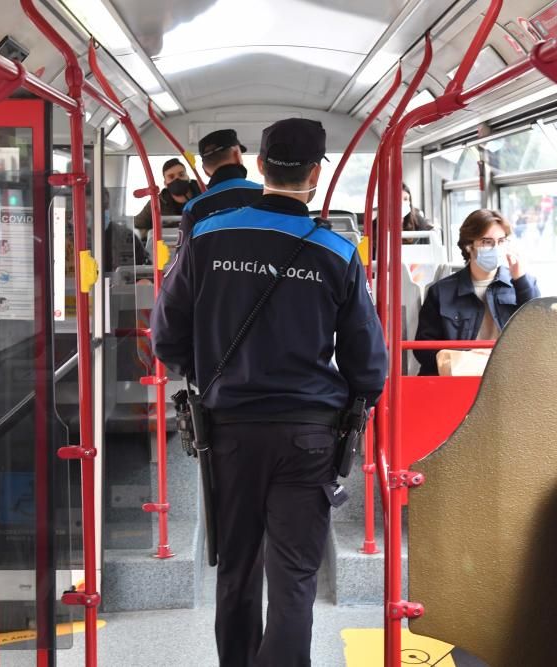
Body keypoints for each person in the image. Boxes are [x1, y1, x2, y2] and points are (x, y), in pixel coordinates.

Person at [152, 118, 387, 667]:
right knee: (294, 578)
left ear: (258, 166)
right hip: (310, 436)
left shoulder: (207, 236)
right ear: (313, 174)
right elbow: (368, 365)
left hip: (228, 432)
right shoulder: (337, 252)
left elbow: (166, 336)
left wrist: (207, 370)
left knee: (236, 568)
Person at [414, 209, 540, 376]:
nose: (495, 248)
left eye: (501, 241)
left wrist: (520, 280)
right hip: (458, 378)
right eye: (487, 242)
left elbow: (538, 329)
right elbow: (423, 348)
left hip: (507, 377)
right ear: (468, 245)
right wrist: (462, 359)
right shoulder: (441, 292)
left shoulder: (521, 285)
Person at [178, 129, 262, 240]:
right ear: (237, 154)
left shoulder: (194, 208)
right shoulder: (267, 194)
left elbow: (183, 256)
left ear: (205, 170)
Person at [133, 157, 201, 234]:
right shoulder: (156, 203)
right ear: (165, 183)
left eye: (181, 174)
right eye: (171, 177)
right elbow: (136, 226)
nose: (177, 179)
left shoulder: (206, 194)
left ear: (188, 177)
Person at [102, 188, 147, 271]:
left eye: (105, 206)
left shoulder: (127, 236)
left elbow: (144, 268)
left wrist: (143, 279)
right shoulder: (72, 241)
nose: (100, 211)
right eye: (90, 207)